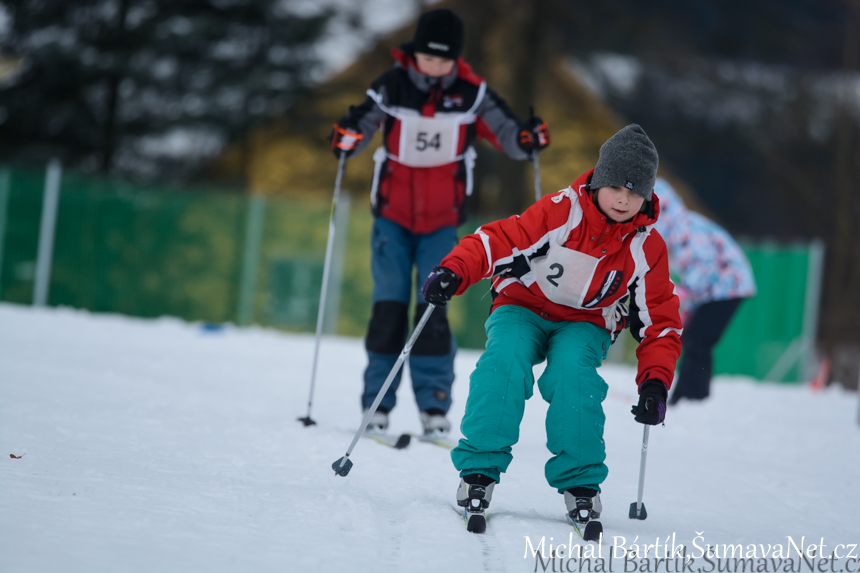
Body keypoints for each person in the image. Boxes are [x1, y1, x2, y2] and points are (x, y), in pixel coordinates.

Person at [421, 124, 682, 536]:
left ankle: (581, 485)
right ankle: (478, 474)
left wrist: (655, 381)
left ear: (647, 197)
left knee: (573, 377)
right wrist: (454, 270)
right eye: (616, 187)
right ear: (599, 181)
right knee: (504, 363)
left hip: (585, 322)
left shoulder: (646, 247)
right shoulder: (562, 211)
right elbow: (497, 239)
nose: (623, 199)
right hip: (523, 305)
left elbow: (661, 321)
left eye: (635, 193)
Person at [328, 8, 550, 437]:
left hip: (441, 223)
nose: (433, 66)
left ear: (455, 59)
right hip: (392, 220)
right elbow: (360, 126)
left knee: (433, 306)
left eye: (442, 60)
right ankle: (377, 403)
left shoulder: (472, 94)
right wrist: (346, 140)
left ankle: (434, 404)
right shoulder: (391, 86)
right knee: (389, 308)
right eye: (426, 58)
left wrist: (527, 140)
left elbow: (507, 133)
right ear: (414, 54)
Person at [651, 178, 756, 405]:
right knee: (693, 338)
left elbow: (702, 264)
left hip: (729, 286)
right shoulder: (680, 229)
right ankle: (687, 394)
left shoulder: (683, 228)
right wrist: (688, 305)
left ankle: (693, 396)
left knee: (699, 340)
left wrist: (683, 295)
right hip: (716, 290)